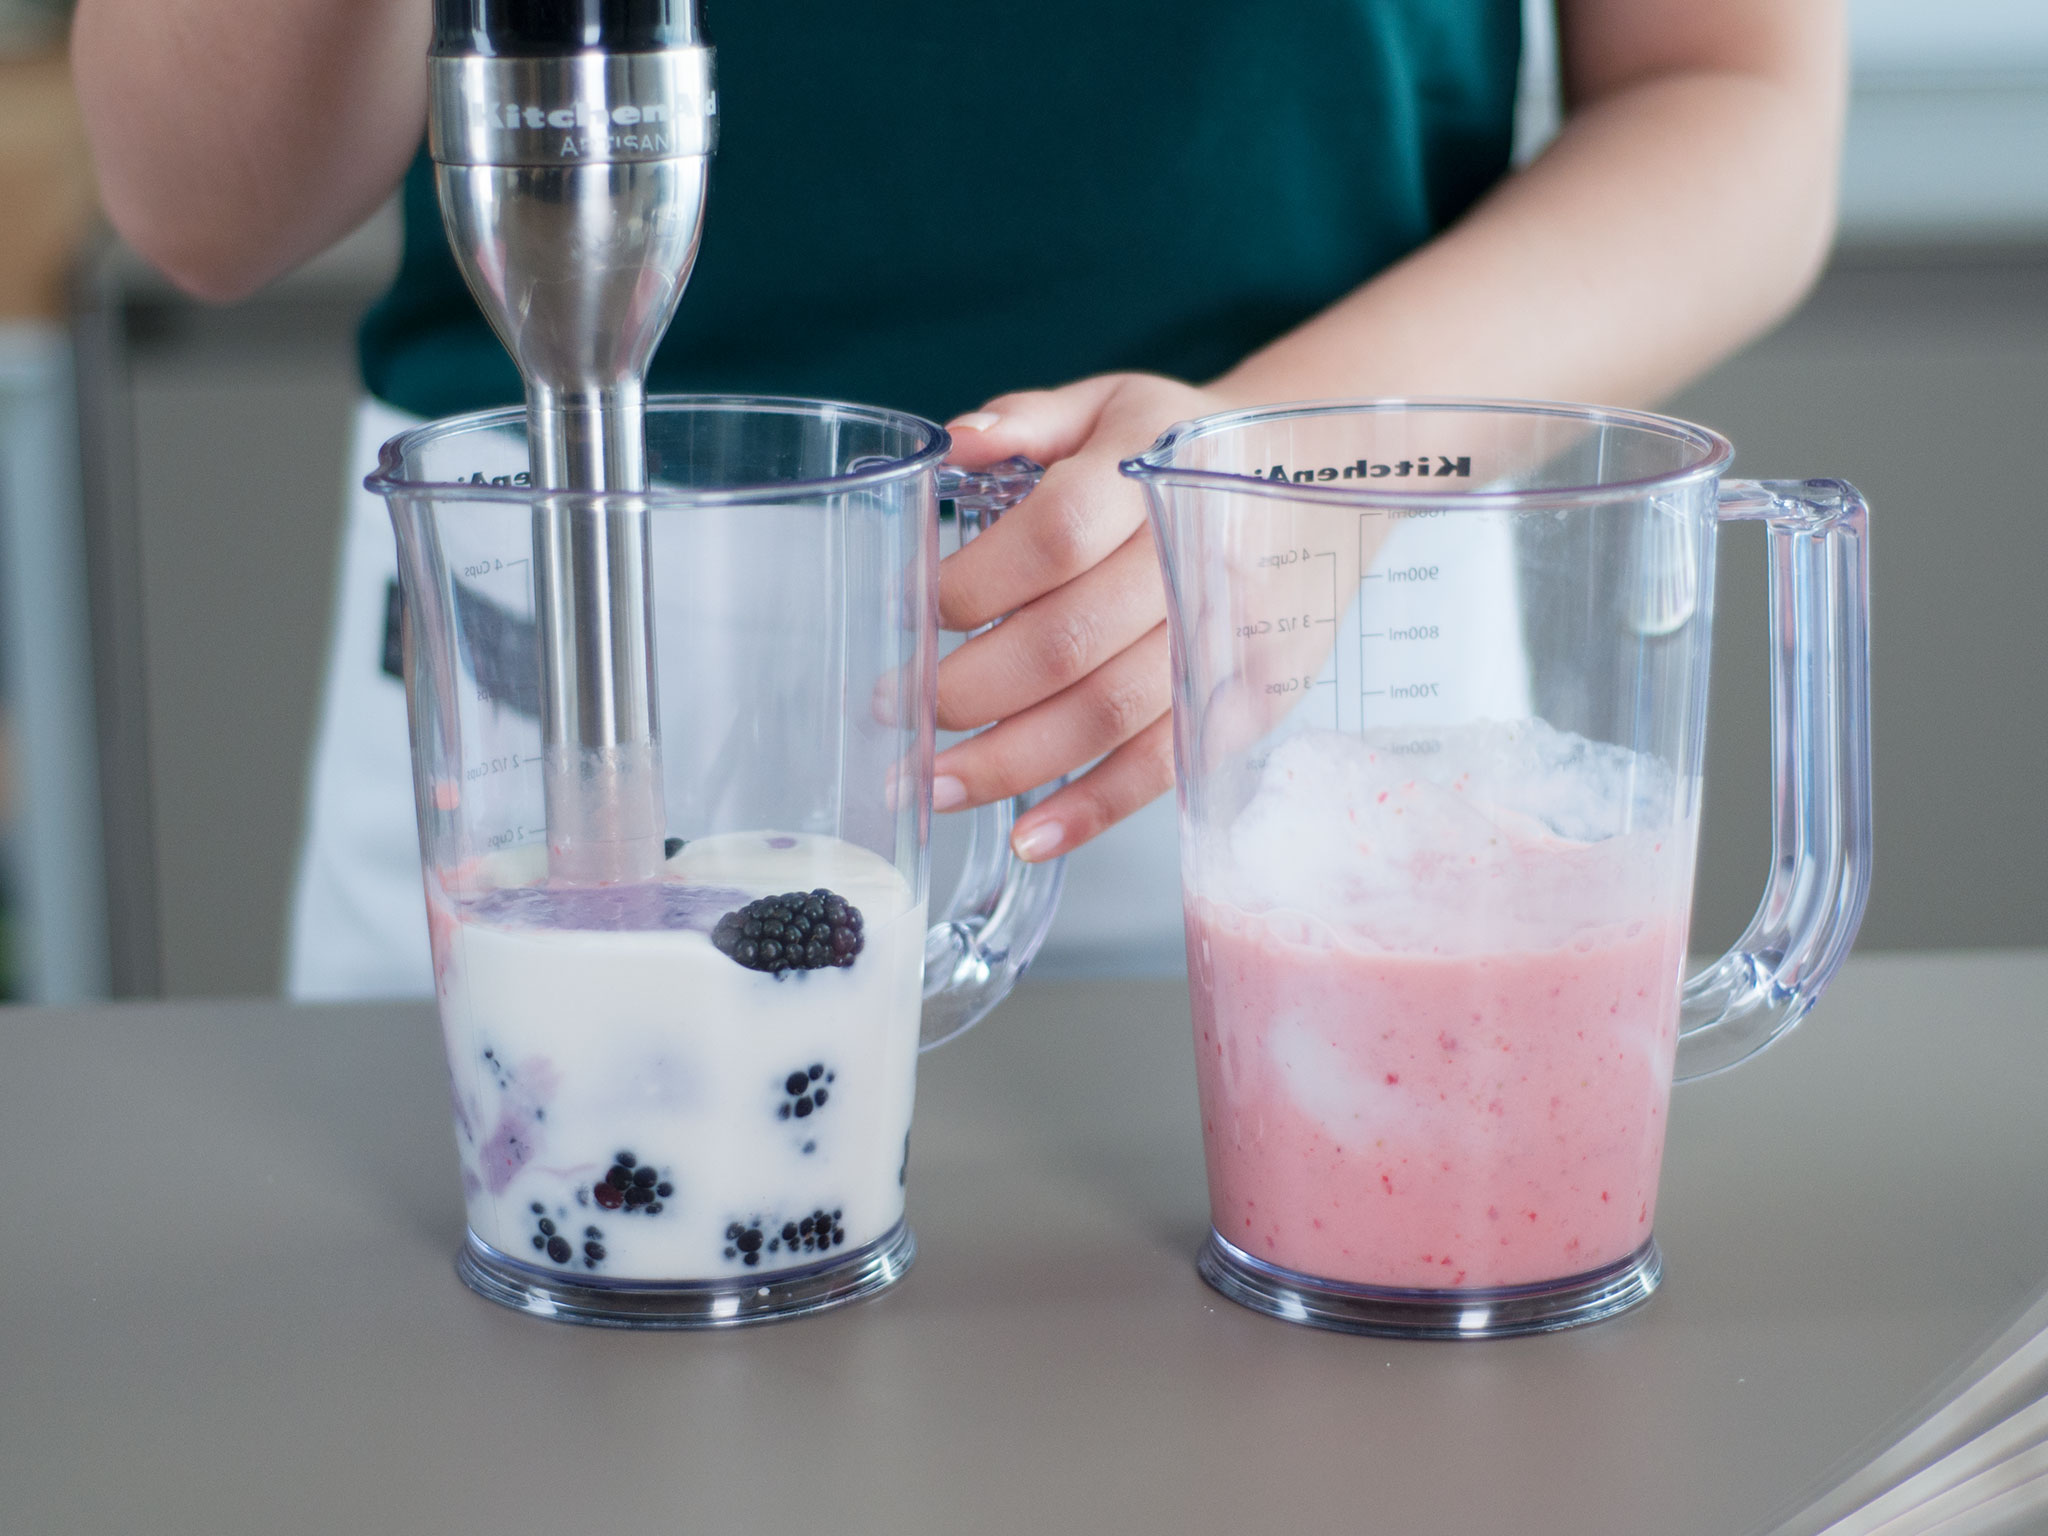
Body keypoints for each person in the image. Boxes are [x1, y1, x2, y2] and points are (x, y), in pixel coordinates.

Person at [72, 0, 1848, 997]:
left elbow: (1736, 96)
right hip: (560, 700)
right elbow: (203, 202)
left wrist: (1293, 466)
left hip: (1289, 661)